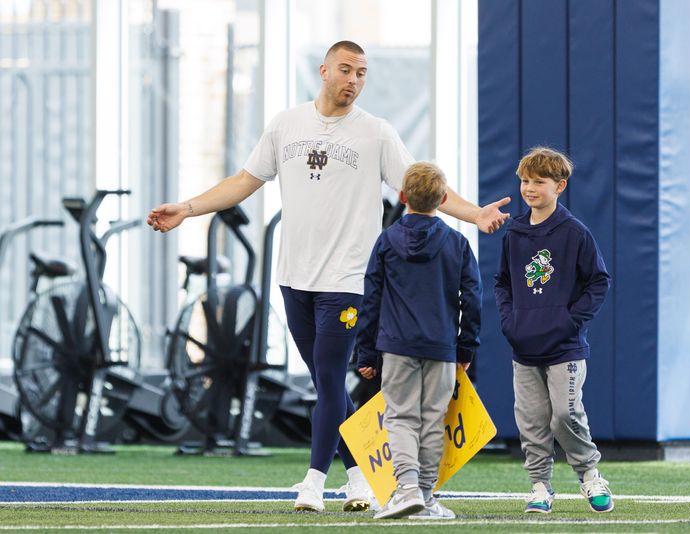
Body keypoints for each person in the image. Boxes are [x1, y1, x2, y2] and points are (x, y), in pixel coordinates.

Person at [147, 40, 509, 513]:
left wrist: (475, 214)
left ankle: (313, 483)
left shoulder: (376, 133)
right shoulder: (286, 124)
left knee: (331, 377)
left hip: (346, 281)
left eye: (361, 73)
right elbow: (243, 181)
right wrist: (188, 208)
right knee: (327, 385)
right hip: (294, 277)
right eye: (345, 70)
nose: (354, 80)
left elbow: (426, 188)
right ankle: (358, 478)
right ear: (324, 71)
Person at [356, 162, 480, 520]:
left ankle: (406, 487)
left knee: (400, 417)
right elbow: (472, 298)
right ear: (443, 199)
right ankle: (425, 495)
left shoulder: (386, 241)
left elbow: (371, 298)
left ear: (402, 196)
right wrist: (466, 347)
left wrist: (366, 352)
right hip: (441, 348)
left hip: (396, 347)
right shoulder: (457, 243)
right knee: (431, 420)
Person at [494, 146, 613, 514]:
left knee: (565, 414)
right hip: (524, 347)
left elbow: (598, 281)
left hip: (565, 348)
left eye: (539, 182)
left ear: (559, 186)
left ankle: (590, 475)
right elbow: (502, 282)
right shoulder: (513, 232)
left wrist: (569, 320)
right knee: (531, 422)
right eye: (525, 181)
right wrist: (510, 321)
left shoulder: (574, 232)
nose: (529, 188)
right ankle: (540, 487)